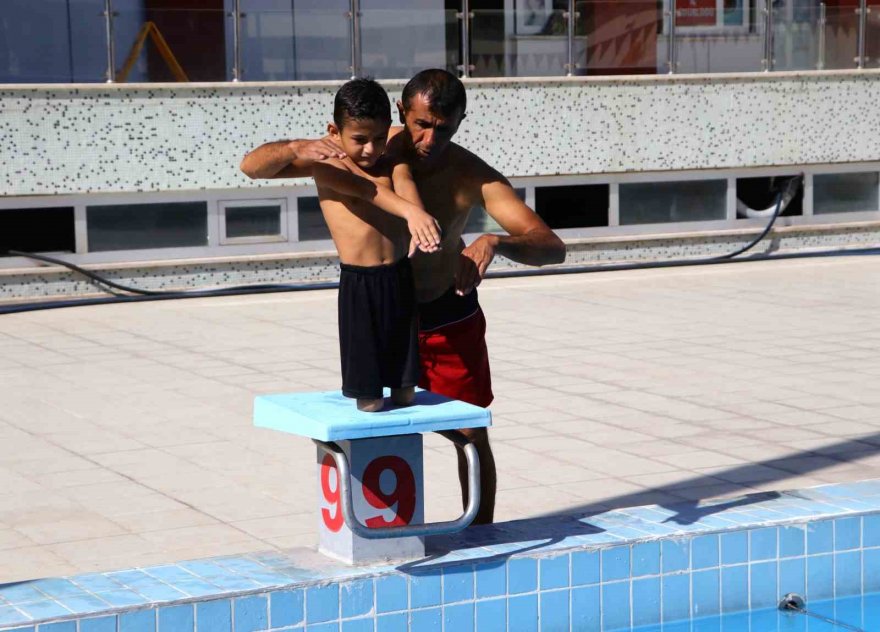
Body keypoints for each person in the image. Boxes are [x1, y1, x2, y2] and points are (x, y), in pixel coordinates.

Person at [240, 69, 566, 524]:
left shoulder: (470, 174)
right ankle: (383, 534)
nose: (431, 138)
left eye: (444, 128)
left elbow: (551, 246)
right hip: (387, 310)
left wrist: (495, 242)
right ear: (402, 114)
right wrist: (296, 146)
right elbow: (256, 166)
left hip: (447, 314)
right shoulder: (372, 145)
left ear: (460, 121)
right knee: (375, 423)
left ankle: (480, 533)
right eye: (421, 124)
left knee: (470, 434)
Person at [291, 77, 441, 412]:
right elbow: (366, 190)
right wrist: (411, 214)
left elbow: (404, 186)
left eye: (378, 138)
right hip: (361, 286)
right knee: (370, 399)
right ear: (335, 132)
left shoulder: (393, 161)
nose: (371, 149)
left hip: (400, 278)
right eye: (360, 140)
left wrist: (419, 219)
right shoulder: (327, 168)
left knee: (406, 393)